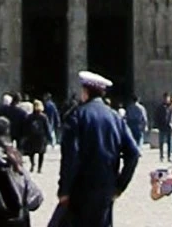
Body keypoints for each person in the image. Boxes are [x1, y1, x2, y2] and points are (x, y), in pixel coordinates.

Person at [59, 69, 140, 227]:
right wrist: (119, 186)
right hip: (106, 189)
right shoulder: (115, 117)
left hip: (80, 189)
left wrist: (64, 189)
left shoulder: (77, 116)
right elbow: (133, 153)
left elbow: (71, 157)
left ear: (85, 91)